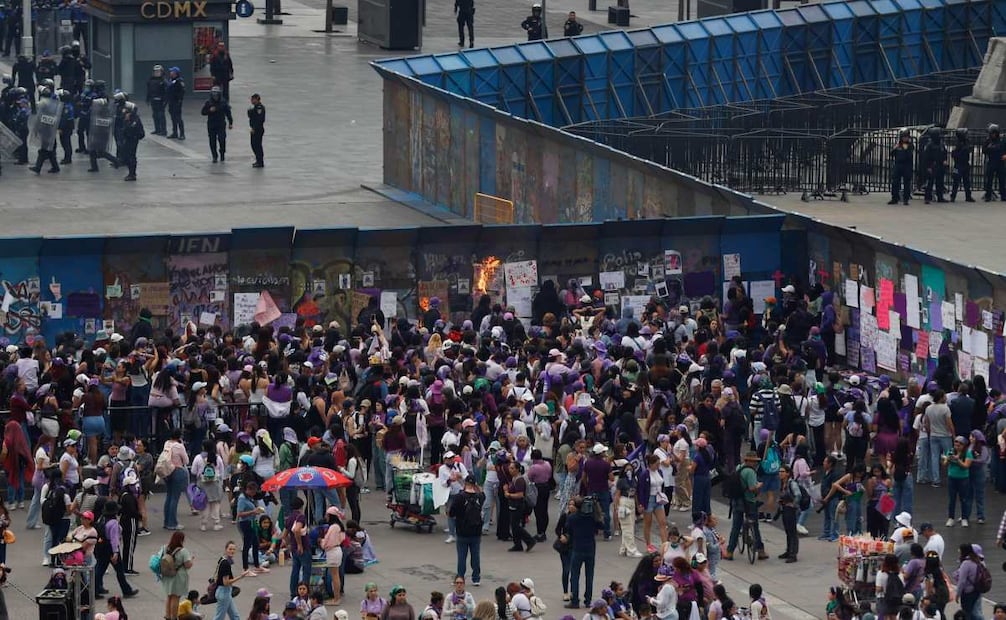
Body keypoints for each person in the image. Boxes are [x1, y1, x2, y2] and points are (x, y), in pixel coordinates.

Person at [723, 451, 767, 561]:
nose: (755, 464)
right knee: (754, 526)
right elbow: (752, 488)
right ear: (750, 461)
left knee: (736, 526)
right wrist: (759, 485)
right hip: (748, 501)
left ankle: (729, 551)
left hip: (736, 500)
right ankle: (760, 551)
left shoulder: (739, 467)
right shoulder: (750, 472)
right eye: (754, 461)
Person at [93, 501, 139, 599]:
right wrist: (115, 552)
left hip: (101, 546)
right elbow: (114, 539)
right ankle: (126, 590)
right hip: (110, 548)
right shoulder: (113, 523)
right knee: (119, 570)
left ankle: (94, 590)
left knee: (99, 569)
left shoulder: (102, 519)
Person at [565, 496, 601, 610]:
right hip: (590, 548)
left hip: (577, 548)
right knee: (589, 576)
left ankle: (575, 600)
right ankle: (588, 600)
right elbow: (601, 526)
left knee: (575, 575)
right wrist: (596, 509)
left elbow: (568, 530)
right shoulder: (592, 517)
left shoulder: (572, 518)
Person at [447, 475, 483, 585]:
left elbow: (452, 513)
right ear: (475, 484)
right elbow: (482, 494)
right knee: (475, 555)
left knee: (462, 556)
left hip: (462, 531)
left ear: (465, 483)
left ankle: (460, 577)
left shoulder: (459, 497)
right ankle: (476, 578)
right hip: (476, 531)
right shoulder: (480, 497)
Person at [213, 541, 255, 620]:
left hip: (225, 592)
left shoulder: (222, 559)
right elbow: (226, 582)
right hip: (224, 592)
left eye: (233, 549)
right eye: (230, 549)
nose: (232, 551)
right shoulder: (226, 564)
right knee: (219, 617)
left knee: (235, 616)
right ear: (226, 550)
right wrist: (241, 576)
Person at [503, 461, 536, 552]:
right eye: (510, 468)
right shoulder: (514, 478)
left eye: (512, 468)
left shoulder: (519, 480)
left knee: (516, 526)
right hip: (513, 505)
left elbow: (520, 494)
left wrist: (508, 494)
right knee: (514, 526)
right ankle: (517, 544)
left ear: (517, 469)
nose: (510, 470)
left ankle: (529, 540)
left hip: (518, 506)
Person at [161, 531, 194, 620]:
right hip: (178, 576)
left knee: (169, 595)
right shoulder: (183, 551)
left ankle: (167, 616)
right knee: (176, 597)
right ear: (181, 540)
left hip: (167, 574)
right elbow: (188, 565)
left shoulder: (165, 548)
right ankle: (173, 617)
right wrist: (191, 560)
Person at [942, 436, 972, 527]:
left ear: (964, 445)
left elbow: (966, 466)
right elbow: (945, 464)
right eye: (956, 443)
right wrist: (948, 459)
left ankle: (964, 518)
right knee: (952, 499)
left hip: (963, 479)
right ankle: (951, 518)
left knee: (964, 499)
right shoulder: (951, 451)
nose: (957, 445)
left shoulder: (968, 453)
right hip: (952, 478)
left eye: (960, 443)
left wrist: (957, 460)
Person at [163, 428, 189, 529]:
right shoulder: (179, 446)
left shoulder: (167, 443)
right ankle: (172, 523)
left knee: (169, 496)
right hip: (177, 470)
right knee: (175, 497)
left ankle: (166, 521)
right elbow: (186, 460)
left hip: (168, 471)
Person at [952, 544, 986, 620]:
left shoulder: (966, 564)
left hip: (968, 592)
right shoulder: (981, 562)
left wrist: (958, 594)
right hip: (977, 590)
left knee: (967, 612)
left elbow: (962, 581)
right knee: (976, 611)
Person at [320, 506, 345, 605]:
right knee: (336, 575)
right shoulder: (338, 526)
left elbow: (327, 541)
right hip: (336, 550)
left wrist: (322, 542)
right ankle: (336, 597)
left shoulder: (333, 527)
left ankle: (336, 598)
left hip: (332, 551)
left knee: (335, 576)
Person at [202, 86, 233, 163]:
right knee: (212, 141)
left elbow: (228, 113)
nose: (215, 97)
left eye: (216, 95)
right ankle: (214, 156)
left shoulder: (223, 102)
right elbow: (203, 112)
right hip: (211, 124)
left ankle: (222, 153)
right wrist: (209, 110)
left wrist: (230, 122)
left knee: (222, 139)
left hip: (221, 124)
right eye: (214, 95)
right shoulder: (208, 102)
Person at [777, 465, 800, 563]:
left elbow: (798, 495)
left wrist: (793, 504)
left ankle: (793, 554)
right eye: (779, 472)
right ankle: (788, 550)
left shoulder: (792, 483)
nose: (780, 473)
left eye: (782, 472)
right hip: (785, 509)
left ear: (787, 473)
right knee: (788, 531)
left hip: (791, 510)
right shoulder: (783, 483)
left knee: (792, 532)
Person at [921, 126, 947, 204]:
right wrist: (928, 167)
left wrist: (945, 160)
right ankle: (927, 198)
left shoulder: (941, 144)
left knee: (940, 182)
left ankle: (940, 197)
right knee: (930, 183)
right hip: (932, 165)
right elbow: (926, 157)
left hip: (940, 164)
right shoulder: (929, 145)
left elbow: (944, 152)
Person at [889, 128, 914, 205]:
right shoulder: (898, 144)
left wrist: (906, 149)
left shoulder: (910, 145)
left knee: (907, 183)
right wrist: (894, 148)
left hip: (907, 165)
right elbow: (891, 154)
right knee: (895, 182)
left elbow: (910, 156)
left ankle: (906, 199)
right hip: (898, 165)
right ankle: (894, 198)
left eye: (906, 136)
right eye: (904, 137)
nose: (905, 138)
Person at [120, 101, 144, 181]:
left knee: (131, 156)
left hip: (133, 139)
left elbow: (130, 128)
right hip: (128, 138)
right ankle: (131, 172)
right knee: (127, 155)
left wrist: (127, 121)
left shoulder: (134, 119)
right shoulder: (130, 117)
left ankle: (132, 174)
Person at [983, 123, 1005, 201]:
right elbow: (984, 150)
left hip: (1000, 162)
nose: (993, 135)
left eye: (994, 133)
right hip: (992, 161)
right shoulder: (988, 140)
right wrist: (989, 148)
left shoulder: (1002, 140)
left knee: (1002, 179)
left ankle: (1003, 195)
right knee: (989, 180)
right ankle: (988, 195)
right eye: (991, 133)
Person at [950, 128, 974, 202]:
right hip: (958, 164)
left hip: (965, 164)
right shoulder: (958, 144)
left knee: (966, 181)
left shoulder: (966, 142)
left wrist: (967, 149)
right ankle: (953, 196)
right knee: (956, 181)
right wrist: (961, 152)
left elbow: (970, 148)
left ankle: (968, 196)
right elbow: (953, 154)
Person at [145, 65, 167, 136]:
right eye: (155, 72)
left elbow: (166, 92)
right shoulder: (150, 80)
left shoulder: (164, 81)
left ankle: (164, 130)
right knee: (155, 115)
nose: (157, 73)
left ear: (162, 72)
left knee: (161, 116)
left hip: (161, 100)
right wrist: (147, 99)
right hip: (153, 100)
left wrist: (165, 101)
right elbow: (149, 91)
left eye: (158, 72)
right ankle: (157, 129)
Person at [166, 67, 186, 139]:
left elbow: (182, 92)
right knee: (173, 118)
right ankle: (175, 133)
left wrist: (179, 100)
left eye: (172, 72)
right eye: (170, 72)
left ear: (176, 73)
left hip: (176, 102)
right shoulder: (171, 80)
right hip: (171, 102)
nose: (170, 73)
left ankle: (182, 134)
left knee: (178, 118)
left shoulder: (179, 81)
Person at [248, 93, 265, 167]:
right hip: (254, 128)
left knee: (257, 145)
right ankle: (258, 160)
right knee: (253, 145)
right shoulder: (255, 108)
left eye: (253, 99)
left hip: (257, 129)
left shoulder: (259, 108)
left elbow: (259, 120)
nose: (252, 101)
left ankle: (260, 161)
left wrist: (254, 128)